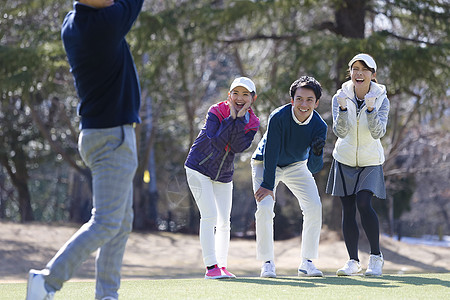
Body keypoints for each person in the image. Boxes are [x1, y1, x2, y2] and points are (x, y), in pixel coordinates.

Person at [26, 1, 144, 299]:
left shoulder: (72, 23)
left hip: (97, 134)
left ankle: (107, 294)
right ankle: (47, 281)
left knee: (120, 223)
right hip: (112, 137)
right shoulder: (106, 23)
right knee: (106, 222)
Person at [185, 77, 260, 279]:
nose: (240, 98)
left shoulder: (252, 122)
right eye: (235, 93)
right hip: (198, 168)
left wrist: (240, 118)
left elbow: (237, 147)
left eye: (245, 94)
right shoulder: (216, 111)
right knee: (209, 216)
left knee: (225, 221)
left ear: (253, 98)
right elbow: (216, 141)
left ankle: (222, 266)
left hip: (223, 174)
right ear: (229, 95)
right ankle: (211, 268)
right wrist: (232, 118)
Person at [252, 76, 327, 278]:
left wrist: (317, 153)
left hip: (296, 165)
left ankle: (307, 262)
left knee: (314, 206)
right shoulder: (278, 117)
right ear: (292, 99)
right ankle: (267, 263)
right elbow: (271, 152)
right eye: (299, 99)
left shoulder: (320, 126)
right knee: (265, 207)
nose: (304, 104)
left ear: (316, 103)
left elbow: (313, 167)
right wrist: (267, 185)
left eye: (309, 100)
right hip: (266, 163)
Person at [326, 53, 390, 276]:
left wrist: (371, 110)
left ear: (373, 74)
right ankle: (353, 261)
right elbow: (339, 131)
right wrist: (343, 110)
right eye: (355, 69)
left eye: (364, 69)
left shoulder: (382, 99)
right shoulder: (339, 97)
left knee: (364, 203)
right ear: (350, 73)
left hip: (370, 160)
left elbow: (378, 132)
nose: (359, 73)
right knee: (348, 209)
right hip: (344, 159)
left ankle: (375, 257)